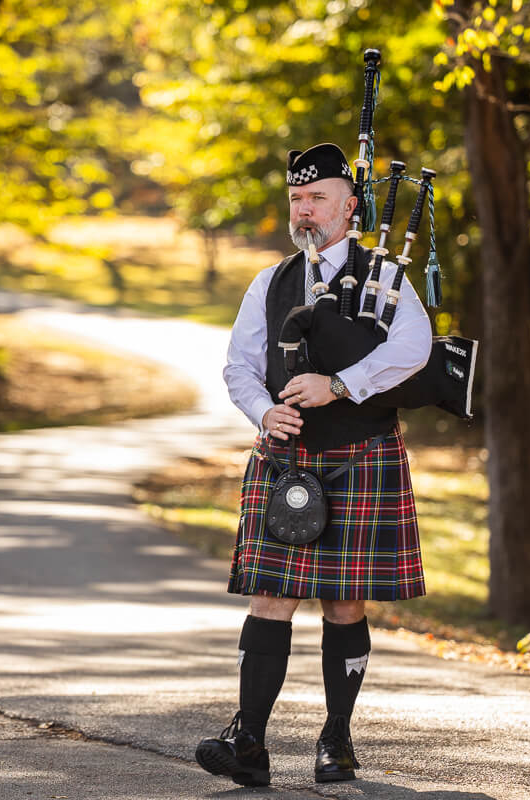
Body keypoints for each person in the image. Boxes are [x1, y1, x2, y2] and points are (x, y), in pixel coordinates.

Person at [194, 142, 432, 786]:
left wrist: (343, 384)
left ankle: (337, 740)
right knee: (270, 595)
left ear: (349, 207)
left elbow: (417, 345)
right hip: (286, 457)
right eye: (297, 199)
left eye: (318, 198)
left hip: (360, 453)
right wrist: (262, 413)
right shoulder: (269, 282)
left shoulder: (384, 277)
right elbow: (239, 365)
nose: (305, 210)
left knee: (344, 603)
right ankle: (248, 740)